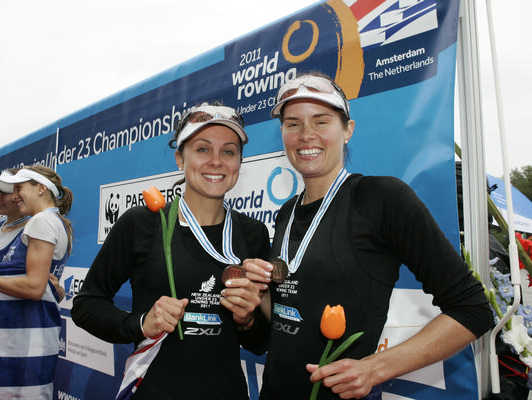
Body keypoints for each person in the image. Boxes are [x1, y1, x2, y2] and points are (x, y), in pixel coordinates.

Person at [243, 72, 494, 399]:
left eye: (321, 121)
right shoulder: (287, 212)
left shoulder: (381, 198)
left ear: (348, 130)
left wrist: (375, 368)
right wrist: (257, 298)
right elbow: (289, 315)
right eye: (293, 124)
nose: (306, 135)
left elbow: (473, 310)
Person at [71, 103, 271, 399]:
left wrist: (248, 319)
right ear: (180, 158)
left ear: (239, 163)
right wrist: (140, 324)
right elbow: (86, 307)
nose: (216, 161)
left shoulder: (253, 233)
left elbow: (260, 343)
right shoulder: (142, 224)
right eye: (202, 149)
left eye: (228, 151)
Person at [0, 165, 74, 399]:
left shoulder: (42, 221)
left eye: (20, 187)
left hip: (25, 337)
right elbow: (43, 286)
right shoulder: (50, 221)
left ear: (41, 189)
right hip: (25, 335)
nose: (14, 194)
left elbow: (34, 288)